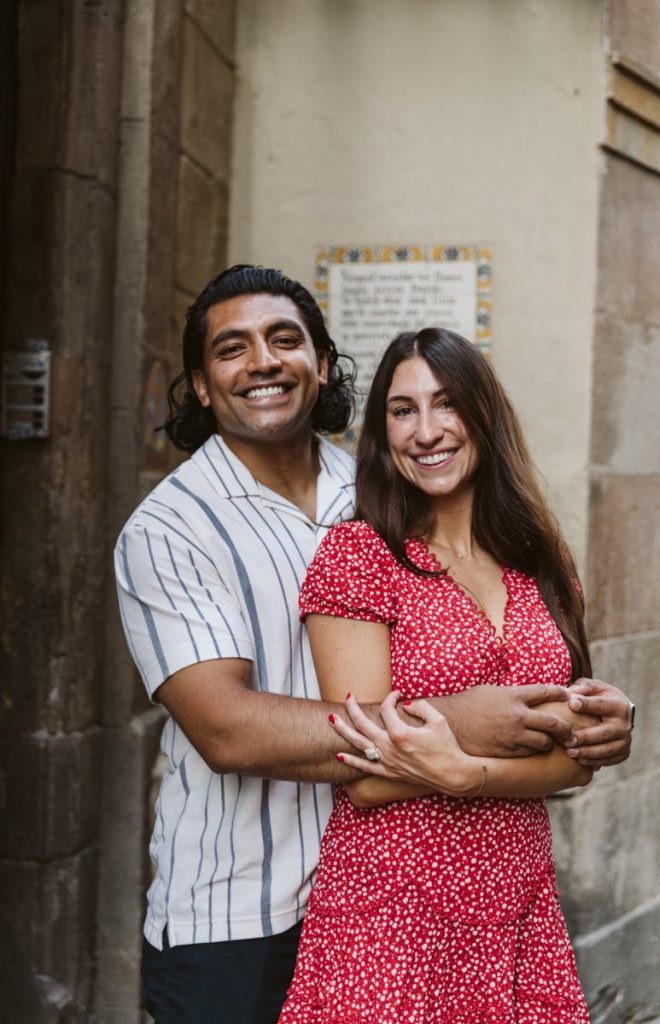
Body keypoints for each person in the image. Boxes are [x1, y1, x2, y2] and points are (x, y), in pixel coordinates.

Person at [115, 267, 633, 1024]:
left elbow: (542, 689)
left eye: (284, 339)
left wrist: (601, 716)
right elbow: (225, 730)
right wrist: (461, 732)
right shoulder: (167, 530)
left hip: (415, 888)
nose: (262, 361)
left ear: (322, 365)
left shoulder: (377, 486)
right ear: (199, 384)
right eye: (233, 348)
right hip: (239, 908)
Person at [278, 328, 619, 1023]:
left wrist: (469, 773)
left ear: (483, 414)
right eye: (402, 410)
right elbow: (362, 771)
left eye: (446, 404)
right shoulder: (358, 556)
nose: (426, 431)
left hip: (520, 907)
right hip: (394, 915)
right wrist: (505, 752)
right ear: (382, 430)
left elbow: (575, 759)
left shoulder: (539, 560)